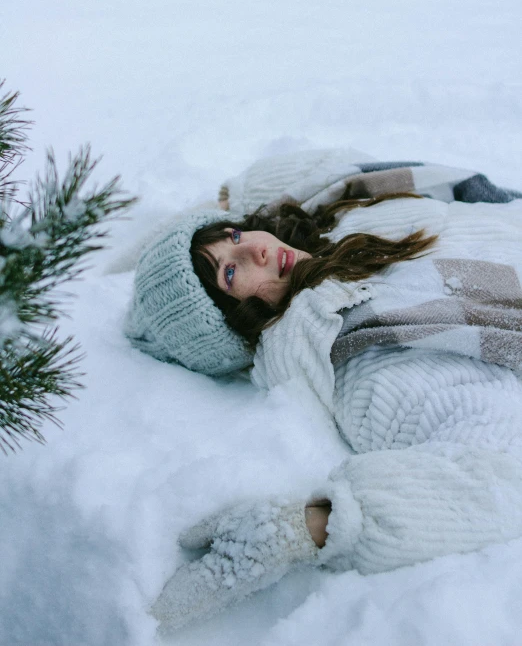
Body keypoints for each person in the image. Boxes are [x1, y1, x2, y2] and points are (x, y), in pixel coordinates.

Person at [124, 149, 522, 632]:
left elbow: (310, 170)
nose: (255, 248)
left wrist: (229, 200)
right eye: (230, 272)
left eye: (233, 235)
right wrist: (312, 526)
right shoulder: (350, 342)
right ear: (236, 327)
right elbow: (496, 464)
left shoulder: (320, 218)